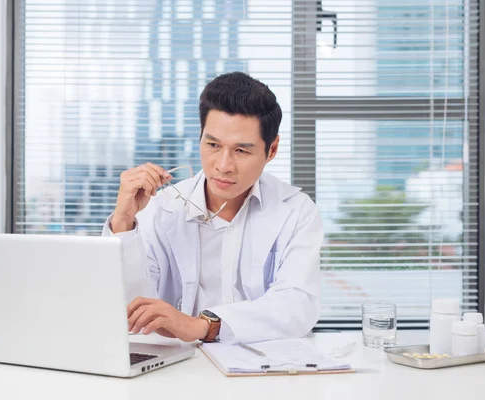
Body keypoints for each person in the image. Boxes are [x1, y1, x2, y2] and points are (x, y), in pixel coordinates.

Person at [102, 71, 323, 344]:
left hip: (264, 369)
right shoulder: (159, 208)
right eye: (213, 145)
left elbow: (297, 304)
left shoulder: (296, 211)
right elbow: (128, 308)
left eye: (241, 151)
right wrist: (123, 223)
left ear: (272, 149)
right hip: (178, 365)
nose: (223, 165)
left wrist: (202, 326)